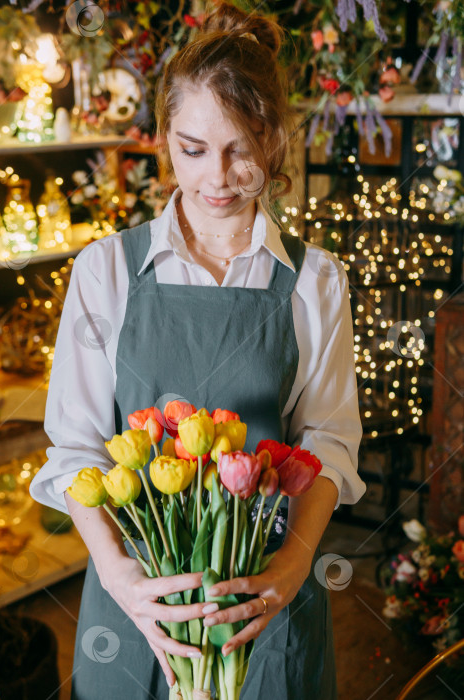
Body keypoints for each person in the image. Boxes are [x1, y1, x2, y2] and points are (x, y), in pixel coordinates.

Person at [30, 2, 366, 698]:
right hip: (135, 601)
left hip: (265, 604)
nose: (217, 177)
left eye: (240, 147)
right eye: (193, 149)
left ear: (271, 140)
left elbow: (329, 442)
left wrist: (289, 572)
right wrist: (122, 579)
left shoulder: (314, 280)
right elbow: (76, 449)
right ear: (162, 138)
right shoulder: (107, 270)